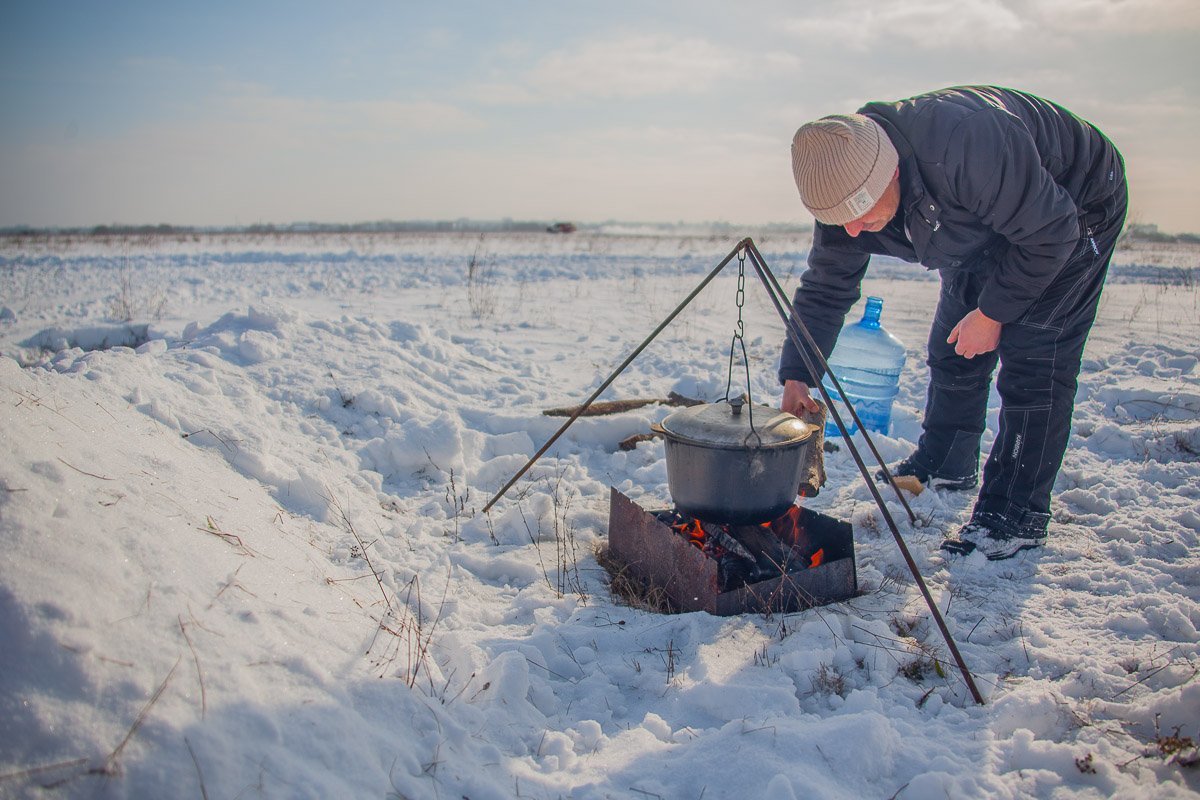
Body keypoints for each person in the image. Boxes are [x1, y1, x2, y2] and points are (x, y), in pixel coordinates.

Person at [779, 86, 1127, 561]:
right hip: (980, 220)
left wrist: (993, 313)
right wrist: (798, 374)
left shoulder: (967, 145)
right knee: (953, 346)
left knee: (1035, 361)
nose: (852, 230)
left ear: (890, 171)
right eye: (839, 220)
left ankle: (1014, 513)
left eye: (859, 213)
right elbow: (826, 288)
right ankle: (947, 460)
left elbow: (1051, 233)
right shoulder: (844, 186)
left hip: (1072, 208)